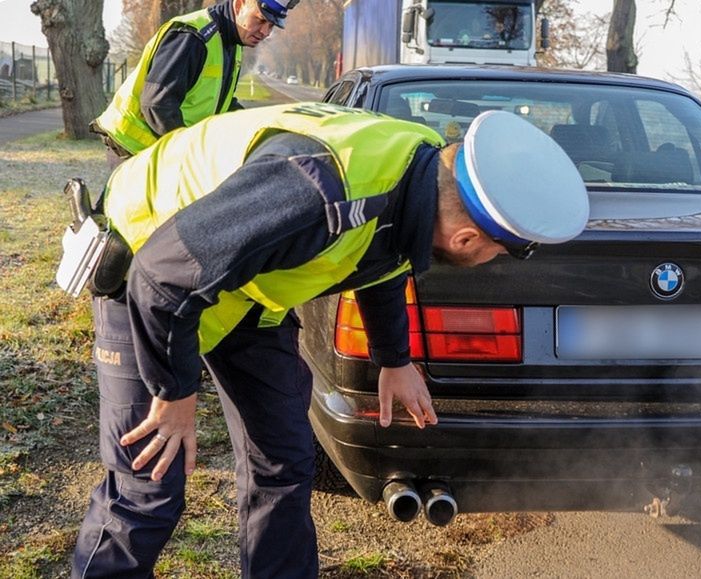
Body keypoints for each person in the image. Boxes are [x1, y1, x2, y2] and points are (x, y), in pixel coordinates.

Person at [70, 101, 589, 578]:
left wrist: (394, 358)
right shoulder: (320, 192)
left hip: (244, 287)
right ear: (467, 238)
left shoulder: (425, 173)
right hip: (146, 265)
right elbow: (162, 279)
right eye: (498, 252)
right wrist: (174, 392)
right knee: (149, 485)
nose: (491, 261)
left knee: (283, 461)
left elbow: (383, 255)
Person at [91, 0, 299, 167]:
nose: (265, 32)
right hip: (134, 145)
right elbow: (158, 104)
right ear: (239, 4)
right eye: (260, 20)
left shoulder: (232, 42)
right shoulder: (194, 36)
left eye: (271, 26)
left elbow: (220, 102)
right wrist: (188, 153)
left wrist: (259, 128)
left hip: (160, 146)